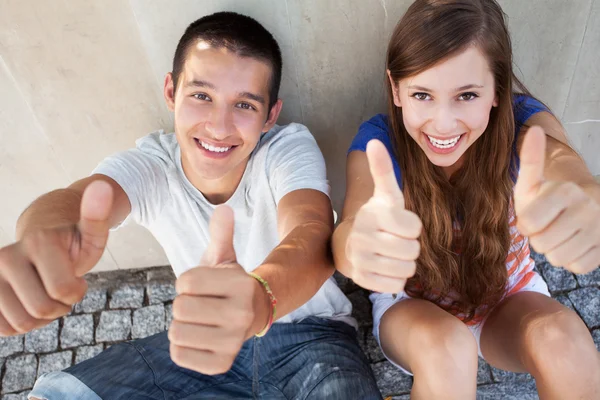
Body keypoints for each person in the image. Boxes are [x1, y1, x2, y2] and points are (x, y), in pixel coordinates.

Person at [0, 12, 382, 399]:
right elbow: (70, 202)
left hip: (312, 338)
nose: (219, 126)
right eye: (201, 96)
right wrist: (40, 241)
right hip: (200, 350)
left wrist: (257, 300)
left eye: (245, 105)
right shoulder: (153, 165)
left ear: (270, 116)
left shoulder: (286, 148)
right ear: (170, 92)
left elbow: (312, 232)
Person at [332, 0, 600, 398]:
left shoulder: (520, 124)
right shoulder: (381, 141)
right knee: (447, 349)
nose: (442, 123)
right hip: (413, 307)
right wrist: (357, 247)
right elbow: (350, 228)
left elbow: (559, 160)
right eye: (422, 94)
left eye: (467, 95)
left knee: (565, 344)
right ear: (396, 89)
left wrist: (583, 193)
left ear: (497, 90)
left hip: (508, 296)